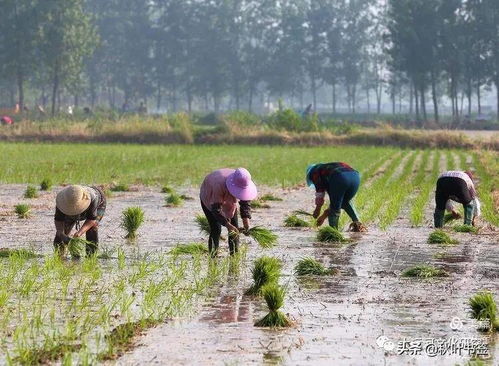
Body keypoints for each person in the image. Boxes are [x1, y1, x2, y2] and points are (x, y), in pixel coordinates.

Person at [200, 168, 257, 257]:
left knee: (235, 227)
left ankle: (234, 256)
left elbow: (245, 203)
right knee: (216, 228)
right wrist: (227, 225)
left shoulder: (243, 182)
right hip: (209, 195)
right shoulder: (218, 185)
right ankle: (213, 258)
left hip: (227, 197)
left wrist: (246, 224)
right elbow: (216, 210)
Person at [306, 162, 366, 232]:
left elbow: (320, 192)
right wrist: (324, 215)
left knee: (335, 210)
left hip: (339, 177)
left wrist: (317, 209)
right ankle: (358, 225)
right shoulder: (327, 171)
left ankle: (333, 233)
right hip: (355, 177)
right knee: (345, 201)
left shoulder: (315, 172)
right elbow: (336, 200)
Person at [54, 185, 106, 257]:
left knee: (92, 228)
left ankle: (91, 256)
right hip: (72, 205)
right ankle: (60, 256)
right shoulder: (62, 201)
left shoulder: (93, 197)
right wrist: (60, 232)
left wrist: (79, 233)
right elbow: (59, 219)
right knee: (61, 237)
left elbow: (91, 219)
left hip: (98, 204)